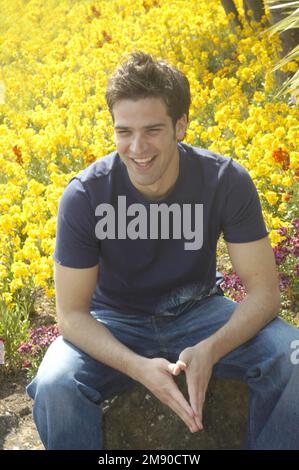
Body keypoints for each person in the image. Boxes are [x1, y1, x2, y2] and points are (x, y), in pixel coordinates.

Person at [27, 51, 299, 450]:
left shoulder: (225, 180)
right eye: (124, 131)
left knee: (294, 359)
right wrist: (137, 368)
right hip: (113, 321)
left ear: (181, 126)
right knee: (54, 384)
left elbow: (264, 294)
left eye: (153, 130)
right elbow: (71, 315)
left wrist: (212, 349)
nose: (137, 147)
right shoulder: (85, 195)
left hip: (201, 312)